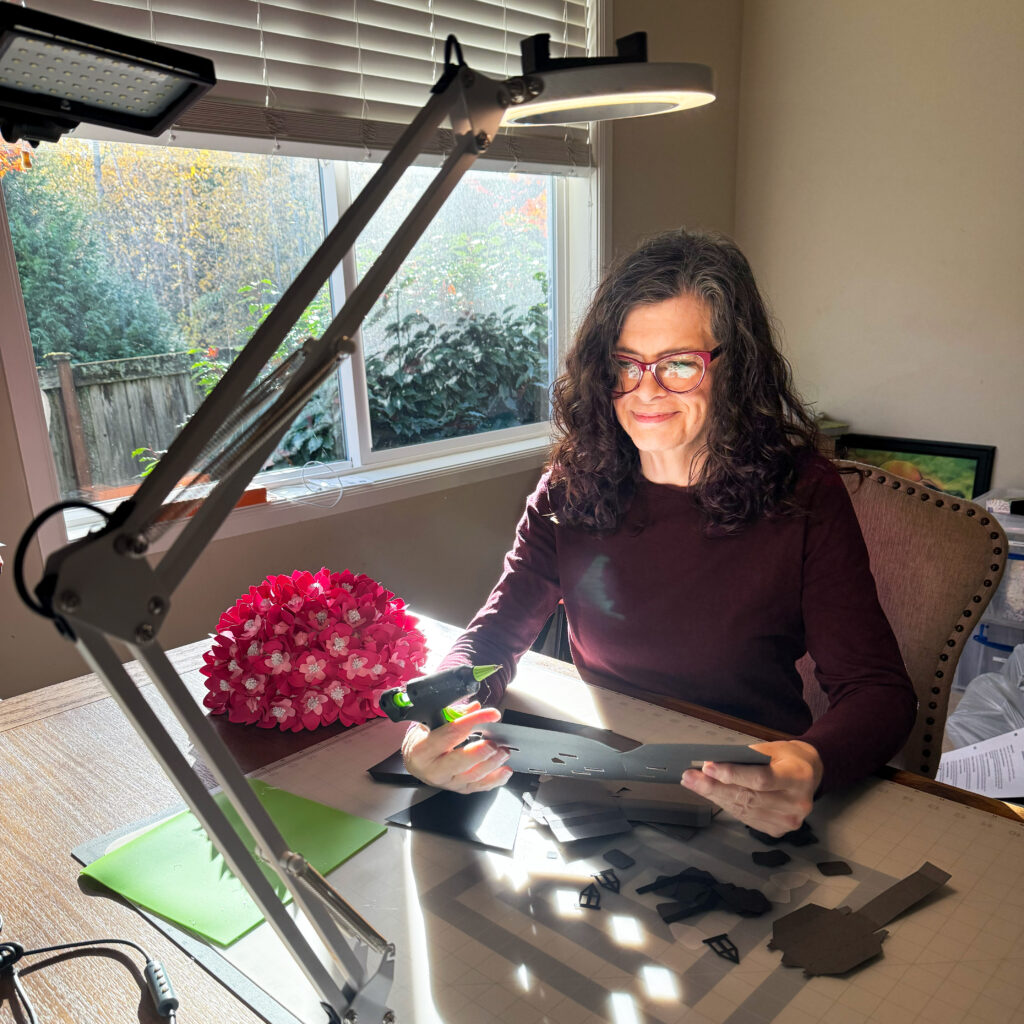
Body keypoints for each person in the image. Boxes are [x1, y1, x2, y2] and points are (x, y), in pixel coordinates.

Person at [402, 229, 916, 837]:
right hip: (601, 780)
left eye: (679, 365)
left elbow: (878, 692)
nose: (646, 391)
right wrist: (436, 719)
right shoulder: (572, 487)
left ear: (735, 367)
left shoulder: (803, 494)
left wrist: (811, 762)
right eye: (626, 364)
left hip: (743, 792)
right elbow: (494, 634)